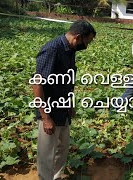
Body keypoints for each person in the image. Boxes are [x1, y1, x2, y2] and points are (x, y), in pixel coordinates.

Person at [32, 20, 96, 180]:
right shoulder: (52, 49)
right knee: (46, 154)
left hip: (64, 109)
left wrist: (70, 103)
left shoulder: (70, 50)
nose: (87, 46)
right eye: (87, 41)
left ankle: (57, 177)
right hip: (50, 111)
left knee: (62, 148)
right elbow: (37, 84)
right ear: (78, 37)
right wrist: (45, 117)